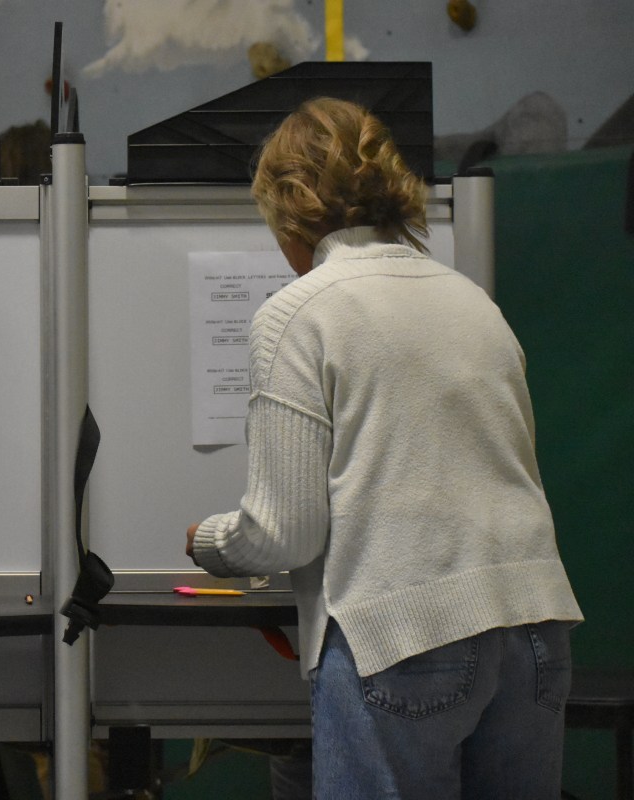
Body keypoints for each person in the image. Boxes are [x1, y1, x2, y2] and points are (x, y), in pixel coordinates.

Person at [185, 97, 583, 799]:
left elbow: (283, 534)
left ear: (290, 208)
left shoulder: (299, 313)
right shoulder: (471, 300)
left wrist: (212, 541)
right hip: (535, 630)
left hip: (403, 632)